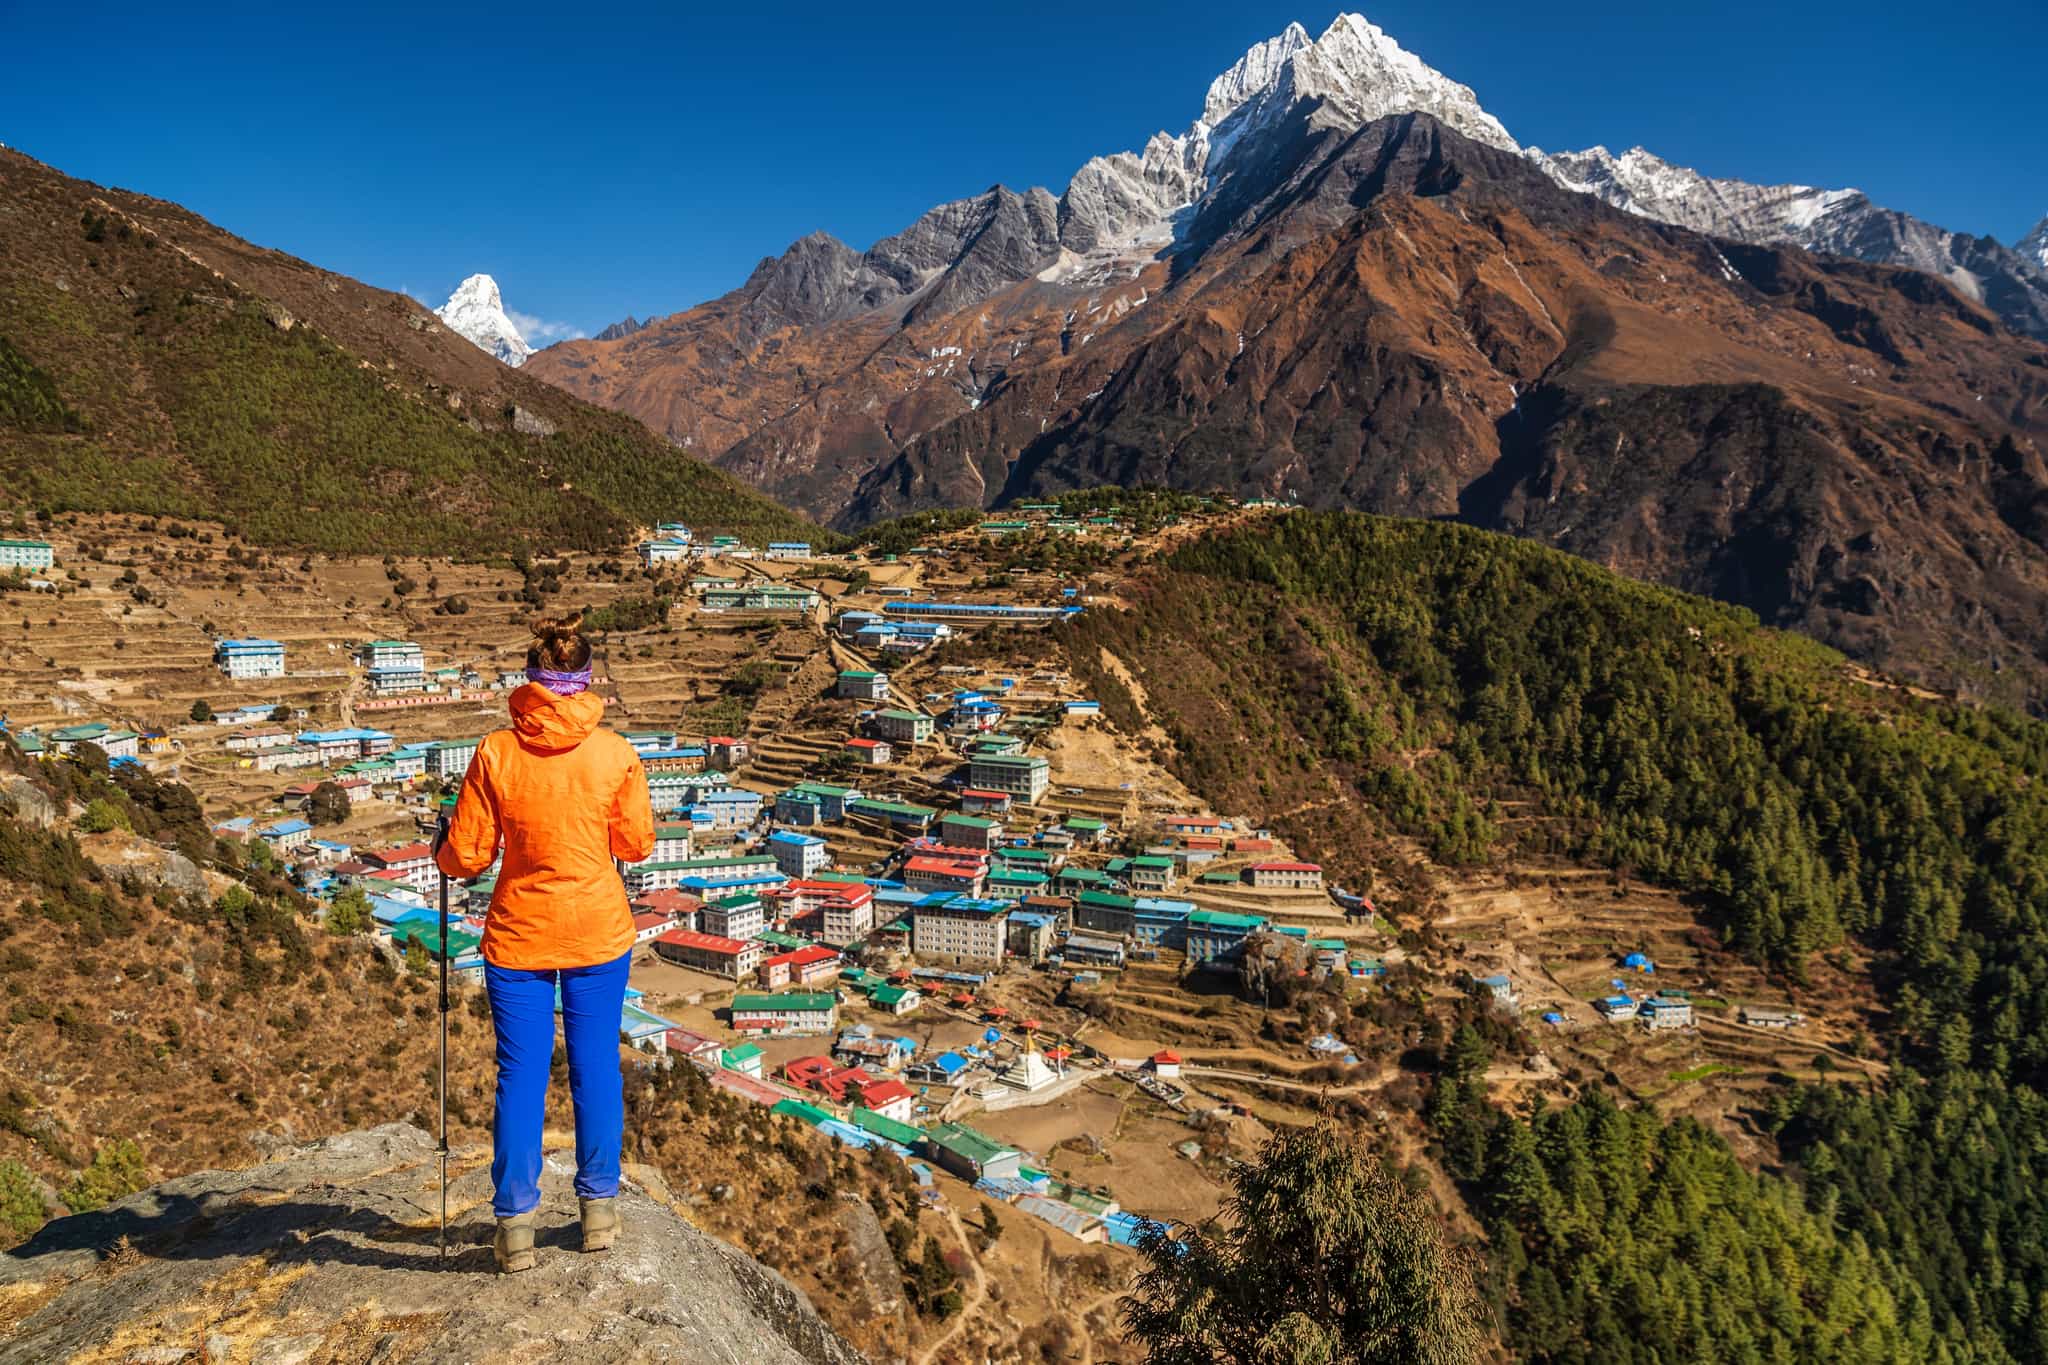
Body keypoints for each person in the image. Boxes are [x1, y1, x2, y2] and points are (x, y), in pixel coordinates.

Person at [434, 612, 654, 1272]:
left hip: (519, 935)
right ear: (586, 682)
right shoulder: (614, 752)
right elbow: (636, 843)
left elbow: (467, 854)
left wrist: (442, 845)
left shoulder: (496, 752)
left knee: (521, 1077)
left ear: (530, 680)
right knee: (595, 1072)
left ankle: (516, 1227)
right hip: (597, 932)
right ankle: (598, 1213)